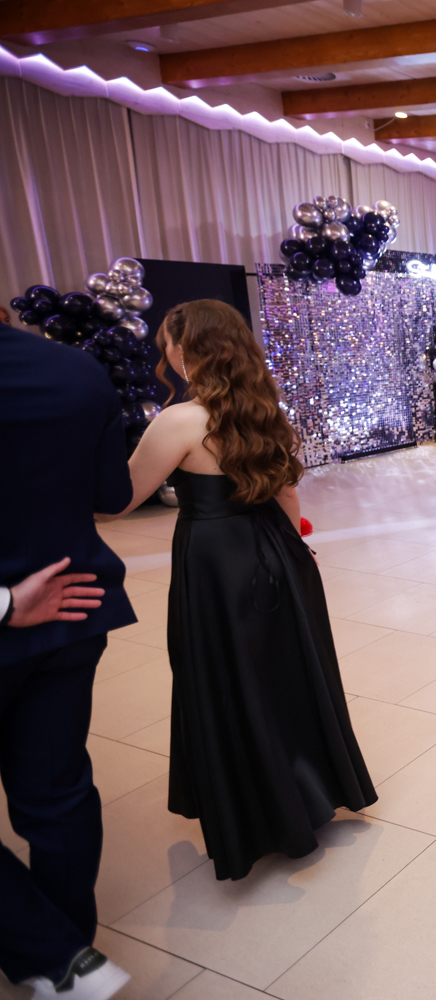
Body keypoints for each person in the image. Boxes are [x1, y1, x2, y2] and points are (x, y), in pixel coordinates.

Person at [98, 299, 375, 882]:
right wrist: (296, 550)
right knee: (284, 674)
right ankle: (308, 791)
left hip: (217, 562)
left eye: (168, 343)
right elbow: (287, 493)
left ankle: (255, 810)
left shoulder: (179, 420)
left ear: (185, 349)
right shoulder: (263, 408)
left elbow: (116, 501)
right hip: (276, 550)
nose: (165, 352)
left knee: (224, 678)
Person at [2, 320, 137, 999]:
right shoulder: (76, 369)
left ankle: (55, 956)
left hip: (24, 613)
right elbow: (111, 495)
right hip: (74, 606)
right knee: (57, 796)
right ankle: (69, 959)